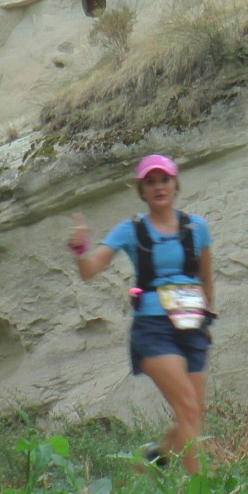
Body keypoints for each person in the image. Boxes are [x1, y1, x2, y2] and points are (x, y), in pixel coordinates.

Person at [67, 154, 215, 473]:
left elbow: (206, 278)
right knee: (188, 409)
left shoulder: (196, 227)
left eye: (164, 180)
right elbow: (89, 270)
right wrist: (79, 249)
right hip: (154, 329)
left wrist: (207, 319)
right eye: (150, 182)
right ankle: (202, 485)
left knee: (193, 415)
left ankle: (153, 458)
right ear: (141, 190)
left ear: (175, 184)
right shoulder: (130, 230)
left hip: (192, 325)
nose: (158, 187)